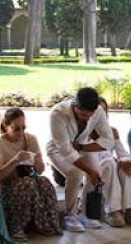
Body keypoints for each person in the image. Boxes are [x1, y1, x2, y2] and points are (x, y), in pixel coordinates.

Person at [46, 86, 111, 233]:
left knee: (97, 170)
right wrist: (88, 170)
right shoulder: (57, 113)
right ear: (75, 106)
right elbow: (66, 150)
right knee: (75, 173)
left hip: (81, 146)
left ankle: (83, 212)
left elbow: (108, 140)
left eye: (90, 115)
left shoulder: (98, 111)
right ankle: (70, 215)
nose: (87, 118)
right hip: (57, 149)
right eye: (83, 115)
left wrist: (83, 147)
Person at [0, 107, 62, 240]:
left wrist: (37, 161)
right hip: (8, 186)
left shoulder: (30, 139)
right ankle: (16, 227)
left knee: (44, 182)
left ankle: (47, 224)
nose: (21, 132)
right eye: (16, 128)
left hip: (28, 180)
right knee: (27, 184)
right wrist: (15, 160)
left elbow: (40, 171)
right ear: (6, 126)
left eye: (23, 128)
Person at [96, 98, 131, 228]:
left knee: (126, 162)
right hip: (94, 172)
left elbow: (122, 153)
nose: (102, 113)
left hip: (111, 168)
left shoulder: (112, 131)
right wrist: (117, 161)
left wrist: (127, 162)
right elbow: (92, 158)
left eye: (104, 110)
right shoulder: (86, 132)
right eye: (98, 110)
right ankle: (112, 211)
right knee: (109, 162)